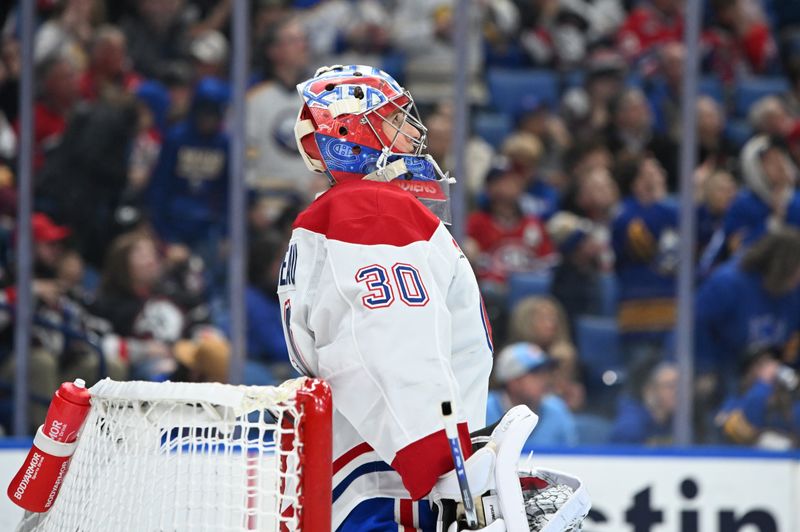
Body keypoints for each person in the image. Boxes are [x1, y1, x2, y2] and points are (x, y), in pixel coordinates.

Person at [281, 65, 495, 530]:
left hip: (367, 466)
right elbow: (389, 348)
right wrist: (447, 467)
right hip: (394, 483)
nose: (414, 132)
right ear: (350, 134)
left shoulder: (343, 212)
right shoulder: (371, 210)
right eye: (395, 118)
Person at [486, 342, 578, 448]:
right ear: (513, 381)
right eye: (536, 373)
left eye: (546, 372)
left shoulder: (557, 410)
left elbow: (570, 459)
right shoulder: (485, 410)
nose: (545, 379)